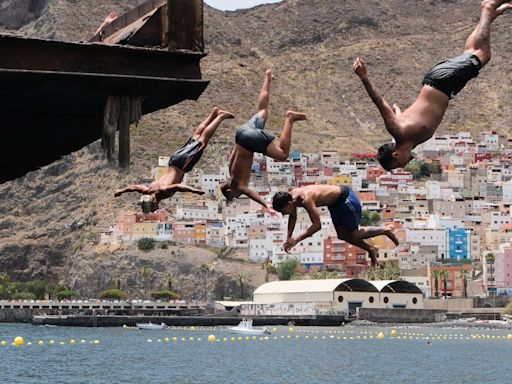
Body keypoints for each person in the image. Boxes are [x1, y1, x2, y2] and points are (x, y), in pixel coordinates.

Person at [353, 0, 512, 171]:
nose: (405, 164)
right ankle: (489, 16)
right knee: (471, 52)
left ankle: (488, 8)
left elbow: (379, 103)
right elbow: (397, 112)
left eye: (400, 165)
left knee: (483, 54)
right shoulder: (410, 138)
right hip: (444, 84)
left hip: (442, 82)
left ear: (396, 155)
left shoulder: (398, 131)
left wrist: (364, 78)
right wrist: (397, 110)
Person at [114, 107, 234, 213]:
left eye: (153, 208)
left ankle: (220, 117)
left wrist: (195, 191)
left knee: (203, 140)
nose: (155, 209)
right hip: (173, 160)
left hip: (183, 164)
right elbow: (134, 187)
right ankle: (213, 114)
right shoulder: (148, 190)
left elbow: (178, 187)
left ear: (154, 202)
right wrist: (121, 190)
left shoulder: (162, 192)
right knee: (195, 137)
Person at [220, 70, 307, 214]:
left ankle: (289, 118)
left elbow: (249, 193)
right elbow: (231, 153)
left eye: (233, 196)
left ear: (229, 190)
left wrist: (266, 205)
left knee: (283, 155)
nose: (237, 196)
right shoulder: (230, 170)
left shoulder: (237, 184)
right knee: (263, 111)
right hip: (242, 132)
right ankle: (267, 77)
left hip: (249, 140)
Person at [272, 185, 399, 266]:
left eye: (283, 211)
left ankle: (386, 230)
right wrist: (289, 237)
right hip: (334, 205)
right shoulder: (292, 197)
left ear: (289, 203)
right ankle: (371, 249)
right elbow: (292, 215)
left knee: (354, 234)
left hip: (345, 199)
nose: (284, 214)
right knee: (342, 235)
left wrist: (296, 240)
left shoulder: (305, 200)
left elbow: (317, 226)